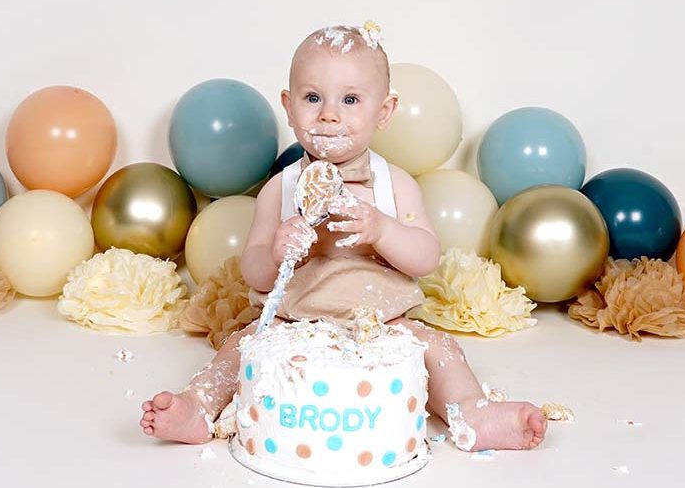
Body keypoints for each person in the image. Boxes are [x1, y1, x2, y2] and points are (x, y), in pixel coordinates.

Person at [141, 23, 547, 451]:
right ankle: (199, 407)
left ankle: (472, 412)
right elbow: (255, 274)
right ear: (289, 106)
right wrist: (278, 250)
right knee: (240, 346)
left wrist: (382, 229)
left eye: (350, 100)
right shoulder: (281, 188)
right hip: (293, 321)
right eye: (312, 98)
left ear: (384, 111)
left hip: (383, 321)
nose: (329, 114)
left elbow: (426, 257)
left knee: (437, 347)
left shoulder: (395, 185)